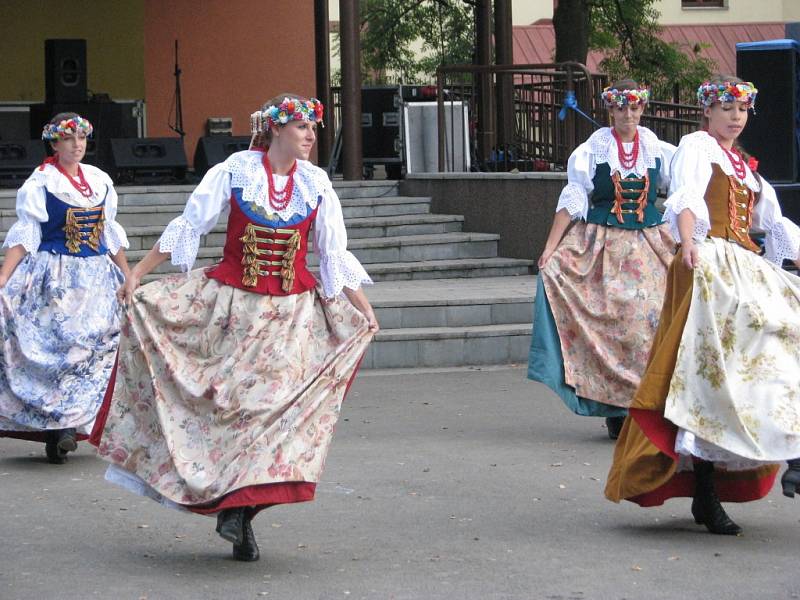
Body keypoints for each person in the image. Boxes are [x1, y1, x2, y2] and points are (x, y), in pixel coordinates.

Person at [90, 94, 378, 562]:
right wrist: (139, 273)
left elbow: (333, 255)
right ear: (277, 129)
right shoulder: (234, 171)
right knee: (234, 413)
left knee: (278, 421)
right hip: (234, 313)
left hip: (290, 322)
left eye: (312, 129)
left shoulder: (316, 183)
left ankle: (242, 516)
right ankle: (231, 510)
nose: (310, 137)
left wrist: (364, 308)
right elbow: (191, 226)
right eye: (302, 127)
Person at [606, 76, 800, 535]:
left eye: (742, 110)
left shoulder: (746, 168)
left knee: (770, 349)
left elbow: (772, 223)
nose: (735, 117)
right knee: (706, 376)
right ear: (707, 113)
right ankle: (709, 493)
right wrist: (690, 242)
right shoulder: (696, 146)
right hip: (708, 261)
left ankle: (789, 452)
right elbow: (687, 195)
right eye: (726, 109)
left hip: (742, 264)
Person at [528, 80, 676, 439]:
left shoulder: (659, 149)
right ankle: (615, 407)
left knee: (649, 323)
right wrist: (550, 247)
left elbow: (682, 195)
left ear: (642, 109)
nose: (629, 114)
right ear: (610, 110)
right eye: (621, 108)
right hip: (602, 244)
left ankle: (646, 404)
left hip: (648, 243)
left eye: (635, 107)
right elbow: (574, 197)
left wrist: (683, 237)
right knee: (613, 323)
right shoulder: (592, 150)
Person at [0, 113, 129, 463]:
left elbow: (108, 232)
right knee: (60, 347)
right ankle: (58, 430)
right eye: (70, 139)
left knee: (94, 346)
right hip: (56, 275)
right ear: (54, 144)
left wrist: (127, 275)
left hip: (96, 278)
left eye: (82, 139)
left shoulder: (100, 180)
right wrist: (3, 277)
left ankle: (70, 425)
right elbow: (28, 233)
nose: (77, 145)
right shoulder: (41, 182)